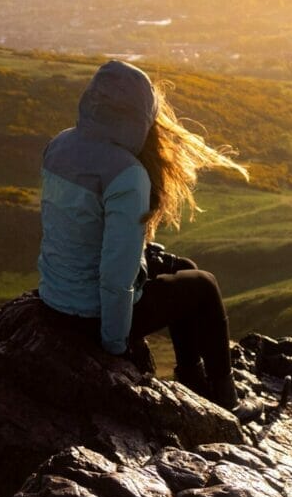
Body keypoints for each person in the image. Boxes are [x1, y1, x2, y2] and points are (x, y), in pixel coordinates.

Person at [37, 58, 257, 418]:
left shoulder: (60, 144)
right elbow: (115, 276)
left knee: (183, 267)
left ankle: (192, 376)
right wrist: (115, 345)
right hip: (89, 316)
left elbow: (76, 228)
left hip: (54, 301)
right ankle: (226, 398)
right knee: (203, 286)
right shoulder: (126, 174)